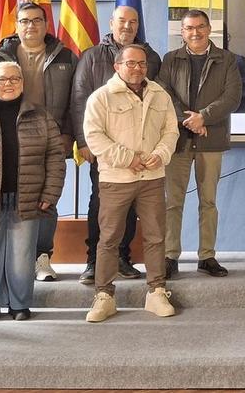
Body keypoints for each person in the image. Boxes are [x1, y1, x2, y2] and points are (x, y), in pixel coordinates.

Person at [0, 1, 77, 282]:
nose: (31, 25)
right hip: (7, 137)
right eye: (25, 21)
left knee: (46, 199)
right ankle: (11, 261)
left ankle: (41, 257)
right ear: (17, 26)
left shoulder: (65, 56)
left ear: (46, 24)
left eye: (37, 20)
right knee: (6, 200)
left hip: (46, 138)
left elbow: (75, 101)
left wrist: (69, 134)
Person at [0, 61, 66, 323]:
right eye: (2, 79)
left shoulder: (40, 116)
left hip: (26, 198)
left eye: (14, 79)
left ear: (23, 83)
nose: (8, 84)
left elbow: (55, 157)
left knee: (22, 256)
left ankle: (20, 304)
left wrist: (50, 194)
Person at [84, 45, 181, 322]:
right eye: (130, 63)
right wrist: (128, 159)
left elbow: (170, 131)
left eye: (141, 63)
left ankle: (156, 291)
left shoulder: (160, 94)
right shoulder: (101, 97)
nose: (137, 68)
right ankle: (104, 296)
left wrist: (160, 154)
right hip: (117, 179)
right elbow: (94, 137)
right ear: (117, 66)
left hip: (152, 178)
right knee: (109, 238)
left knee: (155, 236)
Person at [70, 6, 162, 284]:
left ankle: (122, 257)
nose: (127, 26)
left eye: (133, 22)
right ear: (111, 23)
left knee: (133, 204)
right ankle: (94, 261)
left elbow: (156, 100)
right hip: (104, 149)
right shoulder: (92, 56)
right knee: (100, 202)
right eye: (122, 21)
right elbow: (79, 99)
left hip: (139, 150)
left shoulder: (151, 58)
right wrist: (84, 141)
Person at [159, 9, 242, 278]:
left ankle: (207, 256)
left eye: (200, 27)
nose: (195, 32)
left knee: (208, 201)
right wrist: (190, 120)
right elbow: (164, 94)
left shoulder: (226, 59)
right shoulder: (170, 59)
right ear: (182, 32)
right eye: (189, 28)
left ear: (209, 29)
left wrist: (204, 117)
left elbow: (232, 96)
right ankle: (170, 256)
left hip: (211, 139)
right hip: (179, 140)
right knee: (173, 202)